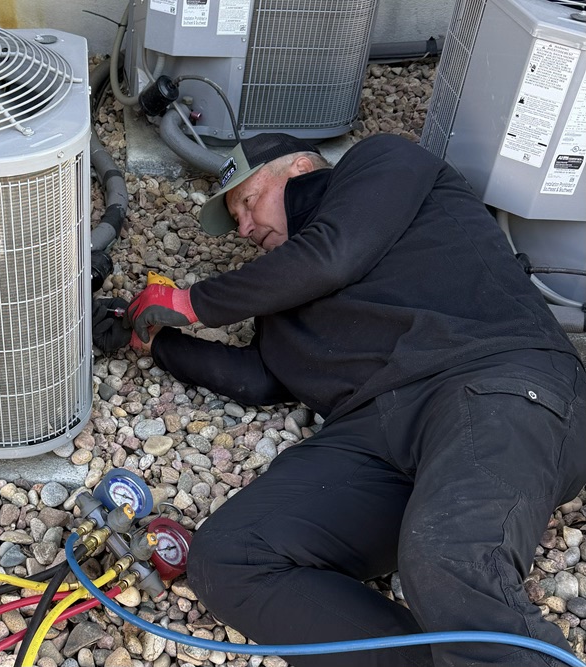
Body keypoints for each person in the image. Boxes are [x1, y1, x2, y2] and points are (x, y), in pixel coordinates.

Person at [123, 133, 586, 667]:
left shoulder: (383, 163)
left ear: (299, 167)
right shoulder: (282, 304)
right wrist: (157, 339)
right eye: (239, 223)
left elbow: (333, 254)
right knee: (230, 558)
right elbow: (259, 379)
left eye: (248, 203)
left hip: (489, 381)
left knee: (448, 554)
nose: (246, 229)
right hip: (372, 433)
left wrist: (189, 302)